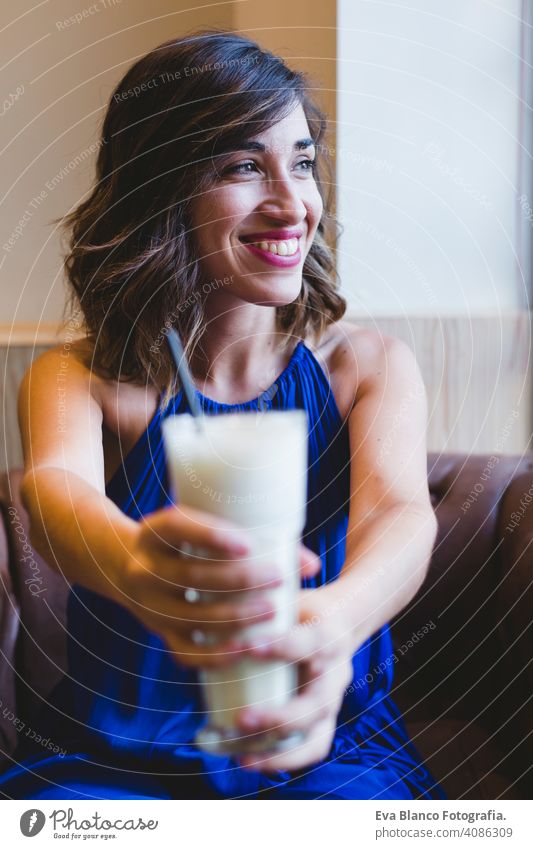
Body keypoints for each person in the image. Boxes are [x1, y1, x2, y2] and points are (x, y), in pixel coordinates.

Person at [0, 30, 446, 800]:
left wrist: (332, 623)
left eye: (301, 162)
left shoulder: (365, 366)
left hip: (326, 747)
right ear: (160, 186)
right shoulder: (74, 377)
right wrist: (141, 567)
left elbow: (402, 518)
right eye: (243, 165)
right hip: (118, 764)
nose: (291, 202)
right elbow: (53, 499)